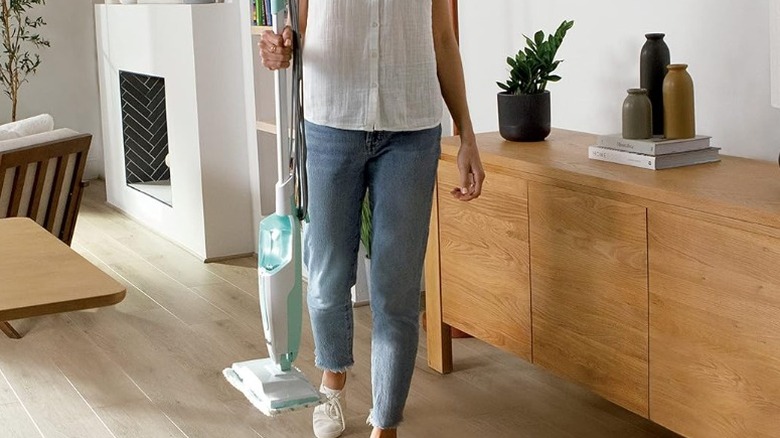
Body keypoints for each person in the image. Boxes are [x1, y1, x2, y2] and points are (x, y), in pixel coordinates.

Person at [260, 1, 484, 437]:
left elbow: (442, 37)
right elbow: (297, 29)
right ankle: (333, 380)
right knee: (326, 278)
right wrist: (279, 49)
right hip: (330, 122)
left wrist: (466, 133)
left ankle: (386, 422)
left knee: (397, 291)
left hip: (412, 129)